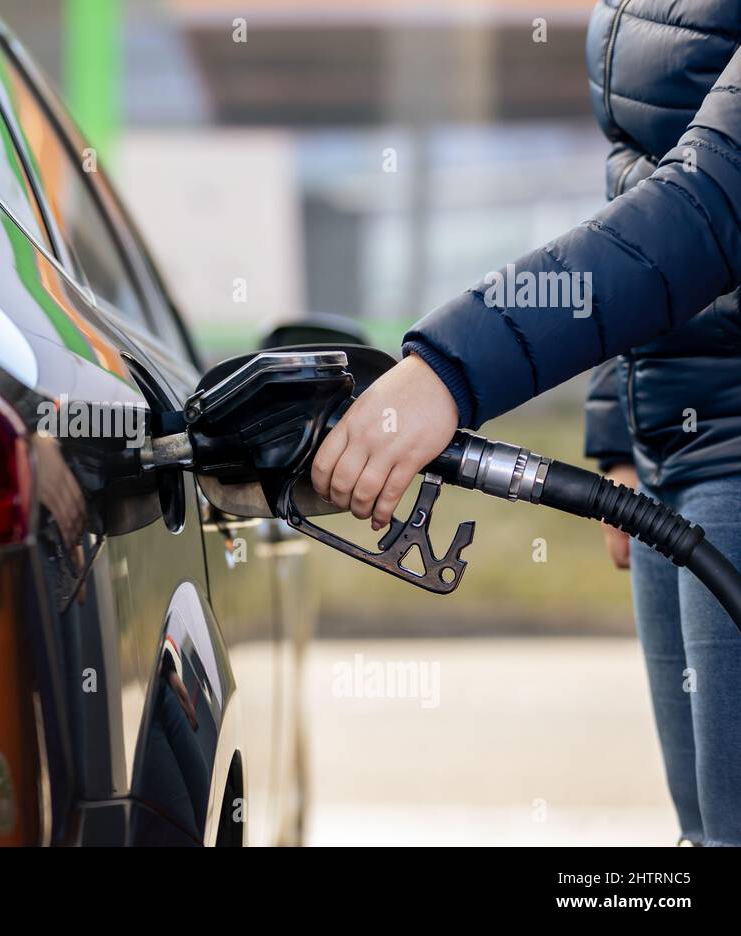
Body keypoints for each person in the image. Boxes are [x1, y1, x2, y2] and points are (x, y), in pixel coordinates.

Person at [311, 2, 741, 846]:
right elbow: (644, 174)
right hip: (675, 448)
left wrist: (450, 368)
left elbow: (710, 204)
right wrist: (624, 429)